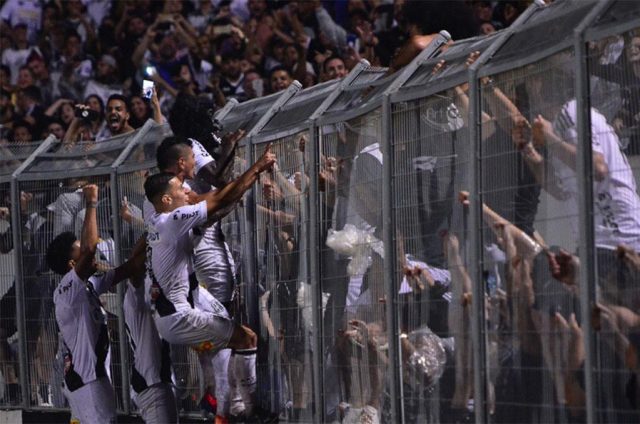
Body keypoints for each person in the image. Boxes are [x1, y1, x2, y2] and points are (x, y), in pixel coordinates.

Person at [143, 144, 276, 418]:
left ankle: (216, 408)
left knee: (221, 353)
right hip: (180, 316)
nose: (187, 191)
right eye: (180, 190)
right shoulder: (174, 219)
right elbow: (219, 199)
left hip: (174, 313)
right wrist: (257, 168)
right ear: (167, 200)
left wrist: (238, 190)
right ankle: (250, 412)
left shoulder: (158, 222)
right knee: (246, 339)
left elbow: (216, 211)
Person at [48, 184, 144, 424]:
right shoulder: (67, 290)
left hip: (91, 379)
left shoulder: (88, 286)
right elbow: (90, 248)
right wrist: (92, 202)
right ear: (72, 265)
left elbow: (127, 268)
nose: (94, 250)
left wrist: (154, 232)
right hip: (87, 381)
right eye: (81, 253)